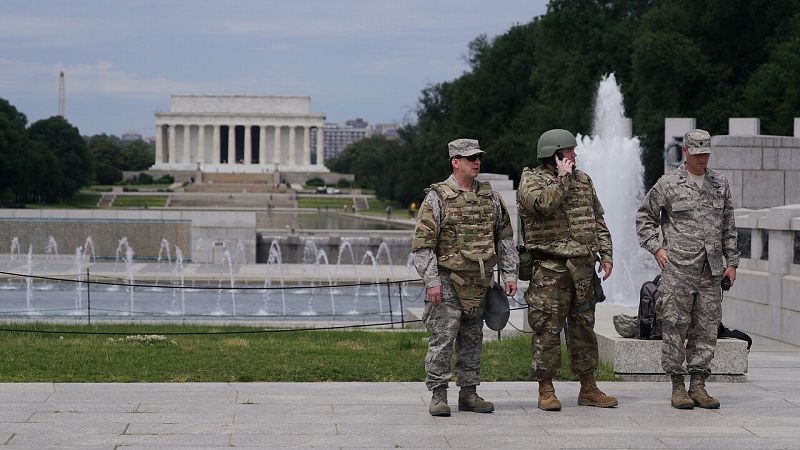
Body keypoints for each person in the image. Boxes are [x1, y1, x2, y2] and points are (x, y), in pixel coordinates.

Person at [412, 138, 518, 417]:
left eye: (478, 157)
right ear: (455, 161)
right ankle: (438, 394)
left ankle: (469, 393)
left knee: (472, 339)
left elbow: (505, 238)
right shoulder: (437, 198)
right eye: (470, 158)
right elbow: (423, 244)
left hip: (480, 282)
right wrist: (432, 281)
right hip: (448, 281)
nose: (477, 162)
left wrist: (509, 274)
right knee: (443, 339)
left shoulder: (491, 197)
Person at [635, 129, 739, 410]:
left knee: (706, 329)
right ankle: (678, 386)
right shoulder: (668, 184)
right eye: (697, 154)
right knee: (674, 326)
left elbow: (729, 226)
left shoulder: (720, 184)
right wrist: (656, 248)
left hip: (711, 270)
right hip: (678, 269)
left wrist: (732, 263)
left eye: (706, 154)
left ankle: (699, 385)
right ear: (686, 153)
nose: (702, 159)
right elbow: (644, 218)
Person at [517, 128, 617, 411]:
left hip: (582, 269)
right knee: (547, 331)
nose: (575, 155)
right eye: (569, 151)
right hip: (550, 269)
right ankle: (546, 389)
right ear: (554, 154)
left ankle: (588, 386)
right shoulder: (531, 180)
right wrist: (562, 180)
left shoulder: (584, 181)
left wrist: (606, 254)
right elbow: (543, 206)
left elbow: (597, 220)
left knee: (584, 329)